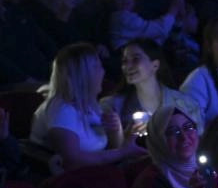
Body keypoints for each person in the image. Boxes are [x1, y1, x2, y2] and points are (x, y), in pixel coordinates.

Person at [31, 43, 146, 174]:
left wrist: (116, 131)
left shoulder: (90, 106)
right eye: (98, 66)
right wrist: (124, 152)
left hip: (98, 173)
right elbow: (72, 162)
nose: (103, 71)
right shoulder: (62, 110)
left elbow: (111, 149)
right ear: (85, 74)